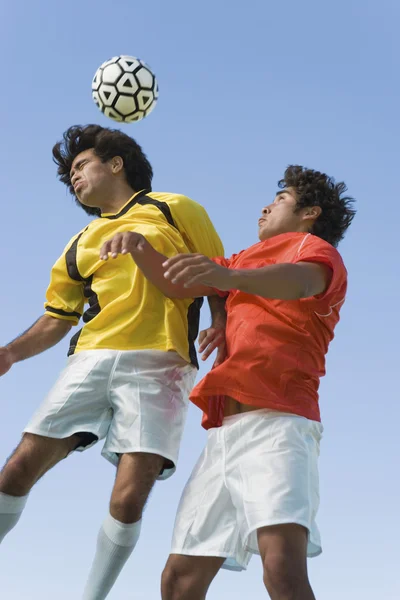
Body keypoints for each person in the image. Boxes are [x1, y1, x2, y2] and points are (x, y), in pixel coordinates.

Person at [106, 165, 355, 600]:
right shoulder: (239, 260)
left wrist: (230, 279)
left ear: (310, 212)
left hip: (279, 426)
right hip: (223, 437)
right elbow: (178, 281)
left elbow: (300, 283)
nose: (266, 205)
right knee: (178, 579)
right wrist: (140, 247)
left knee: (281, 569)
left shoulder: (314, 250)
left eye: (280, 198)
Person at [0, 124, 225, 600]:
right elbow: (57, 318)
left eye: (80, 166)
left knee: (127, 498)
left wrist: (221, 322)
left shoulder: (175, 208)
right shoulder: (78, 242)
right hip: (90, 358)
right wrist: (10, 353)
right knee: (16, 470)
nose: (74, 179)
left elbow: (217, 273)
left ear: (115, 163)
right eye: (70, 176)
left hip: (161, 364)